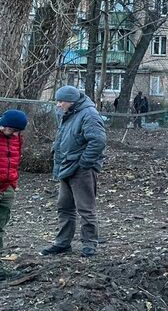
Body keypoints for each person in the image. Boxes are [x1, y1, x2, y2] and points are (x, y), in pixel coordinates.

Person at [41, 86, 106, 258]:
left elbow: (98, 141)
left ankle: (89, 244)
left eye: (61, 101)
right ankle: (62, 243)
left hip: (81, 169)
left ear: (71, 101)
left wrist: (84, 163)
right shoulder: (68, 114)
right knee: (64, 207)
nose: (58, 105)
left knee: (85, 208)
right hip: (66, 167)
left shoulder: (89, 115)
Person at [0, 109, 27, 280]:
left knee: (0, 228)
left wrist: (13, 183)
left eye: (18, 131)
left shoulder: (16, 138)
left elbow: (15, 161)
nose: (15, 134)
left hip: (7, 188)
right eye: (13, 130)